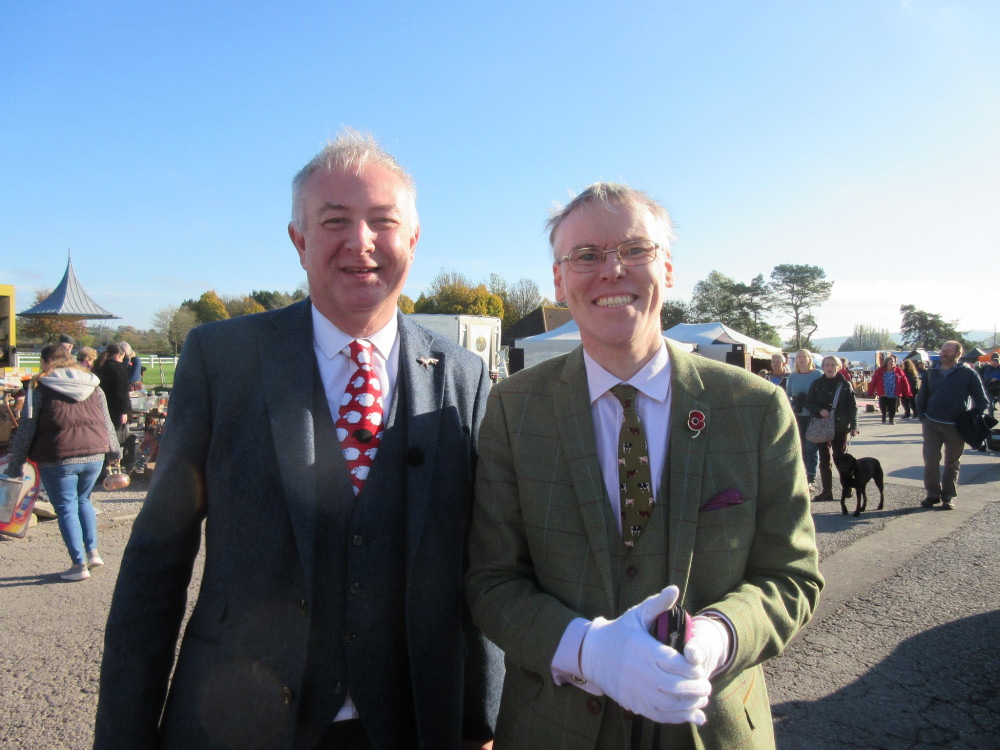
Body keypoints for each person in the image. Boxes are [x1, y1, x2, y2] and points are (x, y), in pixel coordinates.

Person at [95, 130, 501, 749]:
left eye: (382, 221)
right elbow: (157, 561)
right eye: (335, 220)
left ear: (413, 240)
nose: (360, 242)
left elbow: (478, 572)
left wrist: (479, 725)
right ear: (299, 240)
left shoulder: (463, 377)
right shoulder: (220, 360)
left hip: (413, 727)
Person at [465, 182, 823, 749]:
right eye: (586, 255)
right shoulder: (514, 409)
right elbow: (491, 581)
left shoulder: (755, 408)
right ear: (559, 280)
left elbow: (793, 575)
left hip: (713, 729)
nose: (612, 271)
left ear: (669, 269)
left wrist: (718, 637)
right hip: (550, 732)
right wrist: (587, 650)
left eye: (635, 250)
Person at [4, 344, 121, 581]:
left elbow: (27, 427)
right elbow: (107, 421)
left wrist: (16, 463)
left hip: (58, 456)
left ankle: (78, 565)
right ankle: (93, 552)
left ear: (46, 361)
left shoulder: (39, 386)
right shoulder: (92, 383)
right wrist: (115, 451)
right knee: (84, 501)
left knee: (66, 507)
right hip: (95, 454)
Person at [916, 341, 989, 510]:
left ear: (958, 354)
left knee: (952, 463)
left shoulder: (968, 374)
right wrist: (923, 417)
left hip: (956, 426)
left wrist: (969, 419)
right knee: (931, 461)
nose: (943, 353)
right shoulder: (931, 373)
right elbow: (922, 396)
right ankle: (932, 494)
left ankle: (948, 496)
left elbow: (982, 401)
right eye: (942, 350)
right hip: (931, 423)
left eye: (948, 351)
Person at [805, 356, 859, 502]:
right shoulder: (817, 384)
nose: (829, 367)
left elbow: (853, 408)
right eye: (827, 365)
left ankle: (847, 486)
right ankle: (827, 491)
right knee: (824, 459)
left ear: (838, 367)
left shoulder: (845, 385)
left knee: (839, 457)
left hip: (840, 427)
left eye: (832, 365)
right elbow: (809, 403)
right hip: (822, 427)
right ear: (822, 367)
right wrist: (819, 410)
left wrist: (854, 426)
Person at [785, 349, 823, 485]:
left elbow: (821, 394)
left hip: (813, 415)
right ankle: (802, 473)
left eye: (804, 357)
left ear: (809, 359)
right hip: (798, 414)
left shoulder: (818, 374)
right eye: (799, 356)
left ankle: (811, 475)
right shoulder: (793, 376)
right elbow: (788, 394)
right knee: (799, 445)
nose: (801, 359)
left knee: (811, 447)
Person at [94, 342, 131, 436]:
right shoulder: (119, 369)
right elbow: (122, 392)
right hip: (115, 408)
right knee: (114, 436)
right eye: (122, 358)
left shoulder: (98, 367)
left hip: (99, 406)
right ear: (118, 356)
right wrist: (124, 411)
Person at [866, 354, 911, 424]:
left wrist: (907, 392)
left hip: (894, 392)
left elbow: (905, 381)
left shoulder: (898, 371)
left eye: (893, 362)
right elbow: (874, 381)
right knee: (883, 406)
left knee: (893, 407)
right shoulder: (880, 371)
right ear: (886, 363)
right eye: (890, 362)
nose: (892, 363)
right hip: (883, 392)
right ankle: (883, 416)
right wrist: (870, 391)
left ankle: (891, 419)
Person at [981, 352, 1000, 418]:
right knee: (989, 403)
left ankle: (991, 416)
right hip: (990, 387)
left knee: (990, 402)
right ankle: (991, 417)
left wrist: (996, 378)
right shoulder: (988, 367)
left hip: (997, 388)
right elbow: (985, 375)